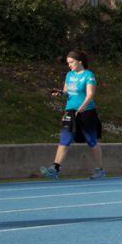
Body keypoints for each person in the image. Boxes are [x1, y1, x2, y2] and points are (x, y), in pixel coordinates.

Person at [40, 50, 105, 180]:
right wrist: (60, 93)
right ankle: (55, 169)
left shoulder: (88, 75)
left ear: (79, 61)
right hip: (70, 111)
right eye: (67, 63)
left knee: (92, 141)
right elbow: (66, 91)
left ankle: (99, 170)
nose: (69, 65)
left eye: (71, 62)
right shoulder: (69, 75)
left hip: (87, 112)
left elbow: (90, 94)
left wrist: (83, 106)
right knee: (64, 139)